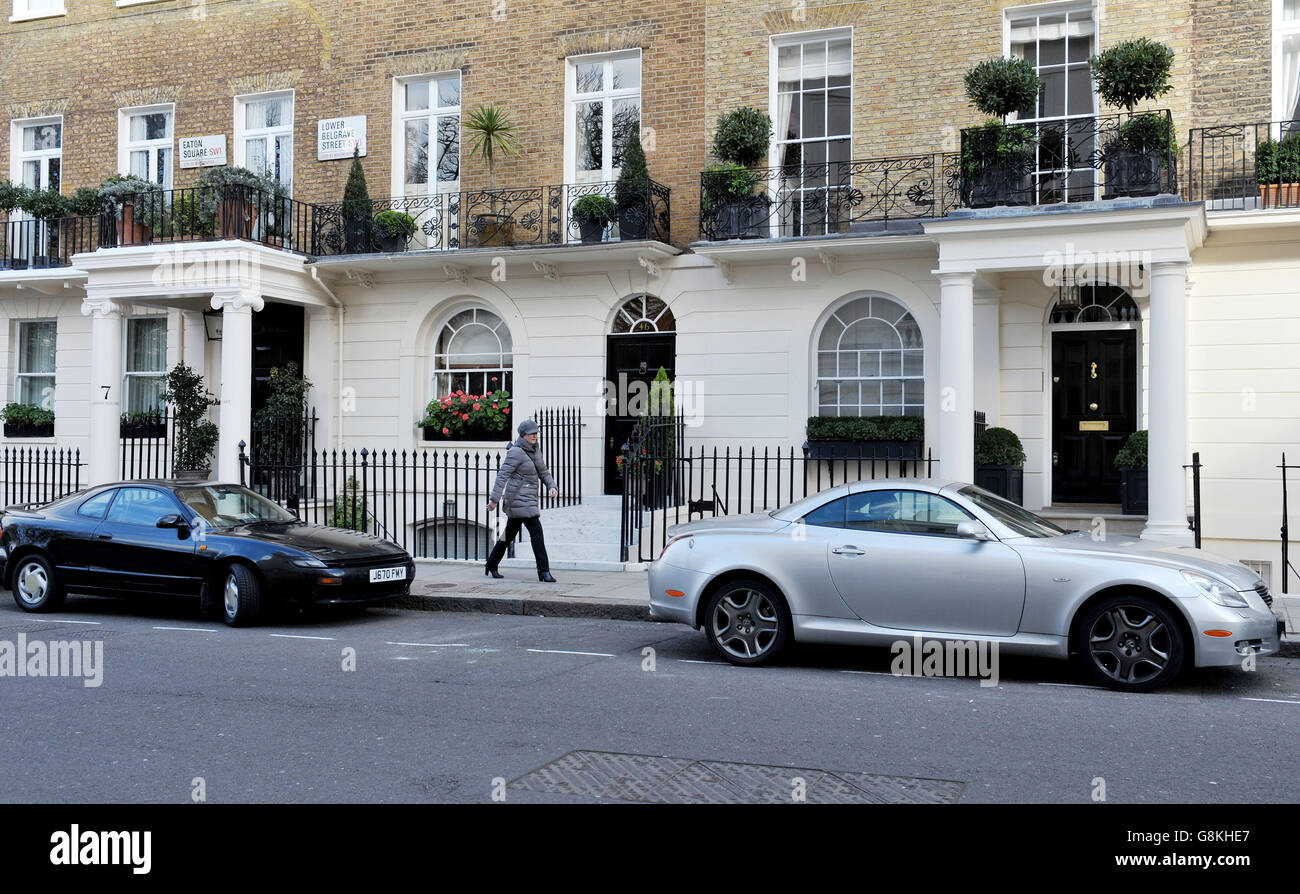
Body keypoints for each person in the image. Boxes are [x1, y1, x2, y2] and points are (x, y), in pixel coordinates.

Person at [484, 419, 559, 582]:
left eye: (536, 433)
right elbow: (502, 475)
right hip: (519, 498)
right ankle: (544, 571)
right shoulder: (516, 452)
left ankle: (491, 563)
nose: (535, 436)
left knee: (508, 535)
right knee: (537, 534)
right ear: (523, 435)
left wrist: (552, 486)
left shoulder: (535, 449)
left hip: (528, 498)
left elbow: (543, 471)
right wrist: (494, 499)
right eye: (531, 433)